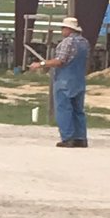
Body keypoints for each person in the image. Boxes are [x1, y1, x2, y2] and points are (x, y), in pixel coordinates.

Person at [29, 16, 90, 147]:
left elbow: (60, 61)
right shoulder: (84, 42)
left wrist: (42, 64)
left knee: (63, 108)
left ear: (69, 29)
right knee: (78, 109)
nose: (62, 30)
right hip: (79, 79)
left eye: (63, 28)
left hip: (64, 79)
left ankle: (68, 137)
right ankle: (81, 137)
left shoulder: (67, 42)